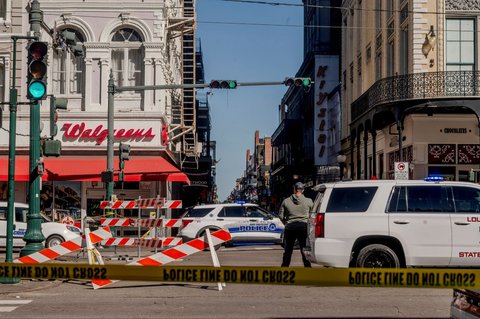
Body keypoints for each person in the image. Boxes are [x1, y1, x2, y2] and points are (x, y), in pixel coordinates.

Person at [279, 182, 313, 267]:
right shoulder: (309, 201)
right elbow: (312, 214)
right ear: (303, 190)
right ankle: (307, 267)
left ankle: (284, 267)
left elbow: (280, 215)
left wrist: (286, 223)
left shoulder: (286, 201)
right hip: (303, 227)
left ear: (294, 189)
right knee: (303, 249)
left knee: (288, 250)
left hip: (290, 227)